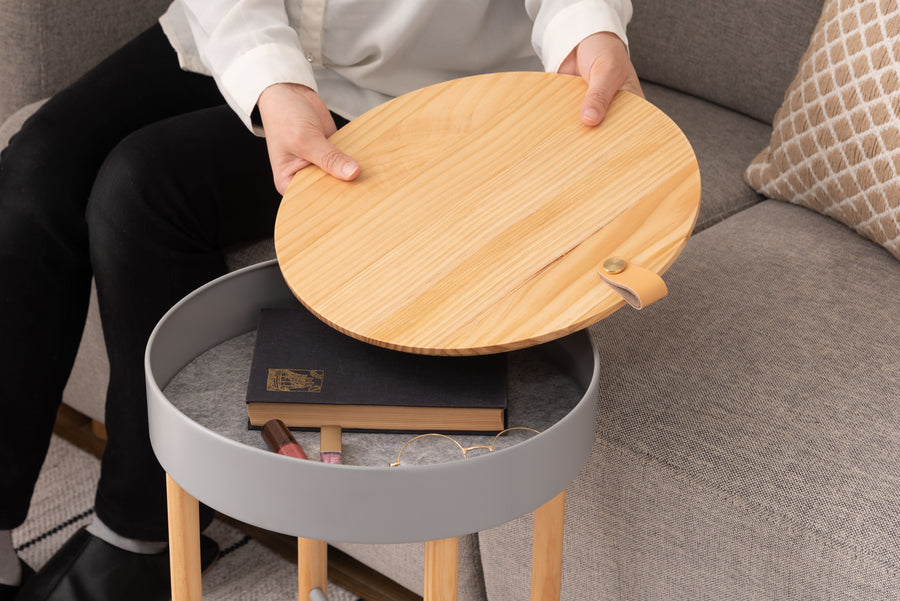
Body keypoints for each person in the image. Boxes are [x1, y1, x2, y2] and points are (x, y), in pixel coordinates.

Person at [0, 1, 642, 600]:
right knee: (30, 175)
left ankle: (139, 533)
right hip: (236, 28)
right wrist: (272, 82)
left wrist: (587, 33)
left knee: (137, 190)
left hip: (430, 87)